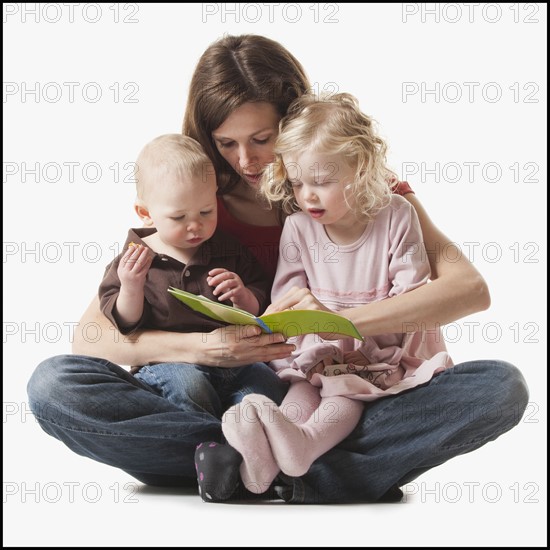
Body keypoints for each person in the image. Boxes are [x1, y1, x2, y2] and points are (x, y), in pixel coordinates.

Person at [27, 34, 529, 503]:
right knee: (55, 385)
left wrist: (339, 322)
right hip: (228, 393)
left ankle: (238, 469)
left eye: (263, 139)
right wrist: (206, 348)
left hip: (346, 384)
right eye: (226, 143)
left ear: (295, 122)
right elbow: (93, 337)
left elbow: (469, 290)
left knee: (498, 387)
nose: (246, 160)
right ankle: (304, 470)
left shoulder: (358, 187)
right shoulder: (195, 204)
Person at [194, 92, 455, 500]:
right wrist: (299, 341)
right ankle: (260, 470)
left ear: (361, 167)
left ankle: (299, 455)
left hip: (376, 359)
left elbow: (411, 299)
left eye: (321, 182)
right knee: (300, 394)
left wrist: (348, 336)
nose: (308, 195)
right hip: (316, 357)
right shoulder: (298, 228)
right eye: (297, 183)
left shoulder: (396, 216)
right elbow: (287, 301)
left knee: (343, 394)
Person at [97, 133, 287, 417]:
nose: (195, 226)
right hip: (169, 363)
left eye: (206, 211)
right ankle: (203, 445)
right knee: (191, 387)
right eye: (179, 217)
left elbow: (260, 303)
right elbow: (124, 323)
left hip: (236, 362)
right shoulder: (133, 262)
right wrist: (131, 288)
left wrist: (243, 295)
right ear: (145, 213)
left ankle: (242, 441)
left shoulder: (228, 250)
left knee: (266, 385)